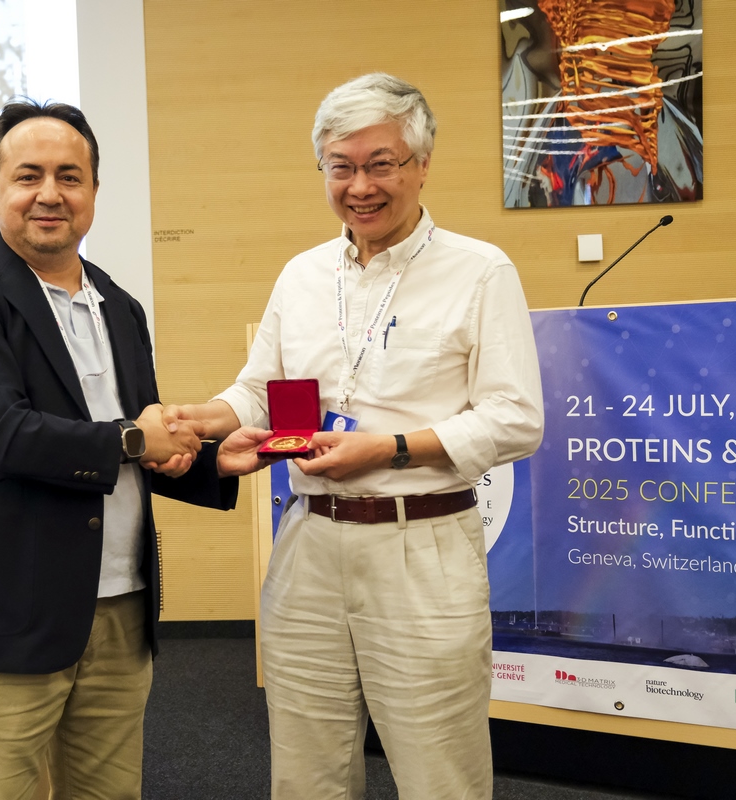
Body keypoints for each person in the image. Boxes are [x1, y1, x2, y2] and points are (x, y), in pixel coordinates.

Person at [167, 73, 545, 799]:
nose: (360, 186)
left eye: (381, 164)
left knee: (440, 775)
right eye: (340, 166)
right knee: (306, 773)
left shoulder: (479, 271)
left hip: (421, 545)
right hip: (308, 543)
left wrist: (391, 448)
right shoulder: (302, 275)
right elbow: (259, 390)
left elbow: (515, 417)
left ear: (422, 165)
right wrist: (204, 418)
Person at [0, 98, 271, 799]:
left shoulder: (119, 306)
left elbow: (131, 448)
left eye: (69, 177)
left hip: (119, 611)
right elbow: (1, 435)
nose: (50, 194)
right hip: (4, 616)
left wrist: (206, 459)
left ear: (95, 191)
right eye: (28, 176)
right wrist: (137, 437)